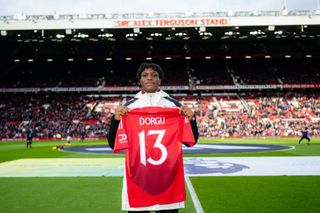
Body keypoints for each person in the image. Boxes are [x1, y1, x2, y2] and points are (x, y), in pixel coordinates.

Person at [107, 62, 199, 213]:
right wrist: (115, 120)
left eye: (154, 75)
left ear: (160, 80)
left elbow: (191, 142)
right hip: (138, 181)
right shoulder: (129, 108)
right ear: (140, 80)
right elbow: (113, 144)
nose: (149, 78)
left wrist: (192, 119)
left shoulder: (174, 106)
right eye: (145, 75)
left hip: (168, 181)